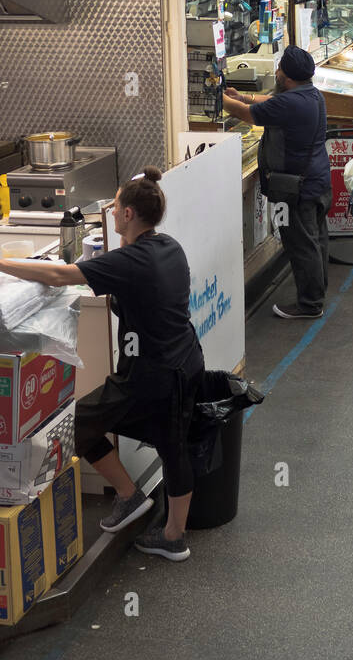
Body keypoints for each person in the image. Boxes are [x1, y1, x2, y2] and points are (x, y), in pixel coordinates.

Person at [0, 168, 205, 562]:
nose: (110, 213)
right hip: (185, 361)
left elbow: (61, 276)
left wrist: (7, 264)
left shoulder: (129, 260)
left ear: (128, 214)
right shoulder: (169, 246)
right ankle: (174, 535)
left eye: (115, 208)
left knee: (79, 424)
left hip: (149, 374)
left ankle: (129, 497)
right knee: (173, 444)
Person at [224, 45, 330, 320]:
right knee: (316, 240)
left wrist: (220, 99)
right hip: (318, 180)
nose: (277, 71)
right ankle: (317, 292)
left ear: (289, 76)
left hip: (298, 187)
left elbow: (247, 114)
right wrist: (244, 95)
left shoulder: (289, 103)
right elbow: (267, 103)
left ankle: (309, 305)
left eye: (280, 68)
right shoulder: (311, 95)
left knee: (301, 245)